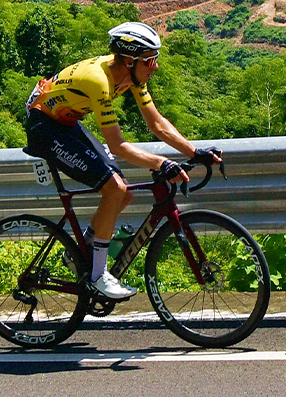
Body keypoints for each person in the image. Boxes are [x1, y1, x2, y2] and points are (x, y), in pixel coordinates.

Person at [23, 21, 217, 302]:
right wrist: (161, 163)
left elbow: (157, 123)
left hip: (65, 122)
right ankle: (97, 277)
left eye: (155, 59)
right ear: (129, 61)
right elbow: (117, 145)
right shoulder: (99, 81)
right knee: (115, 188)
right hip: (44, 128)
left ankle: (79, 253)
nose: (155, 66)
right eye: (150, 60)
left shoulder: (132, 77)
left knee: (123, 193)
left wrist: (194, 152)